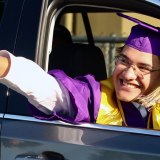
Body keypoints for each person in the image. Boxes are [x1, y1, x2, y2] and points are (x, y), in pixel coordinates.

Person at [0, 13, 160, 130]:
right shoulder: (94, 97)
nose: (128, 74)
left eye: (143, 68)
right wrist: (5, 65)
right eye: (124, 61)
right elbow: (49, 89)